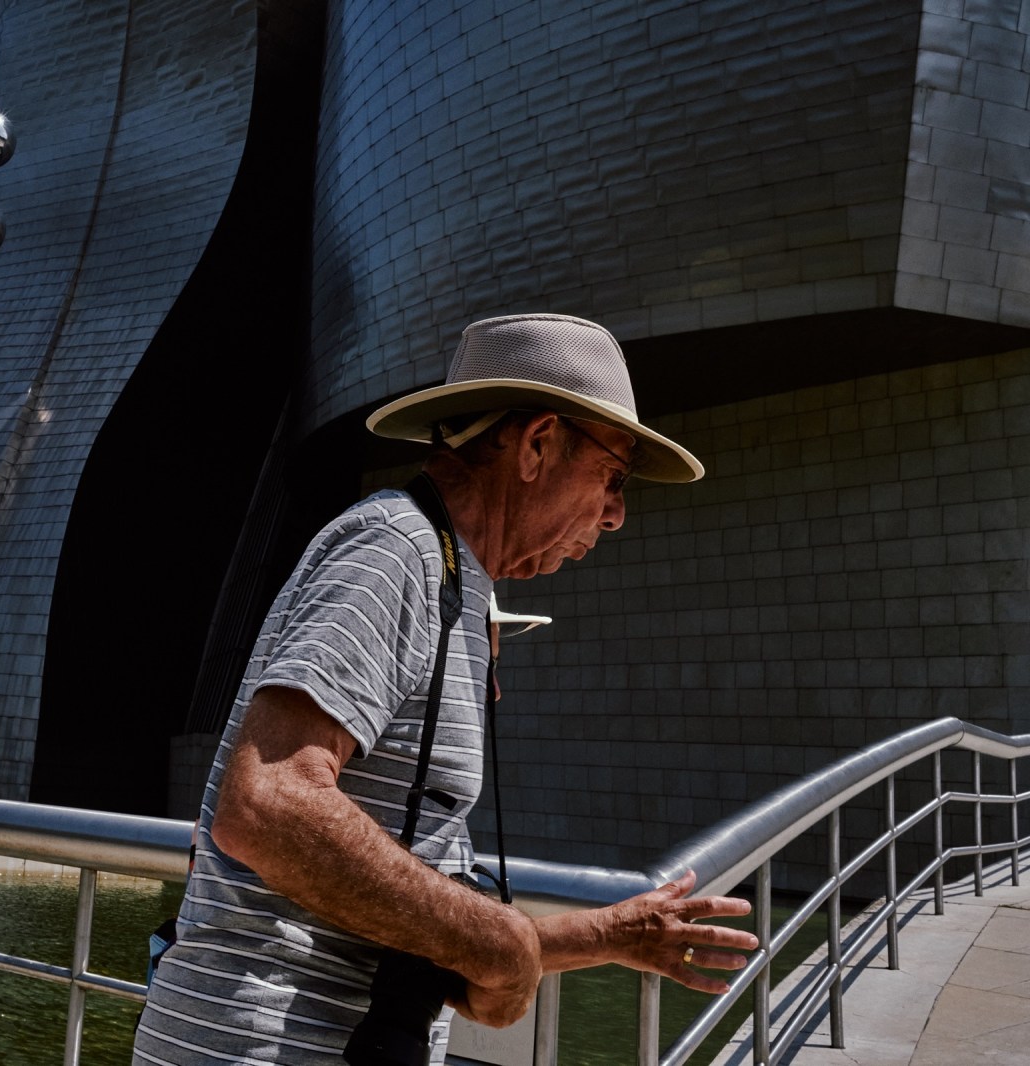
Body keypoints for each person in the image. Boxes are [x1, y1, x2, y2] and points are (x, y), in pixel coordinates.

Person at [133, 314, 759, 1065]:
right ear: (537, 446)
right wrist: (495, 939)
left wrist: (601, 936)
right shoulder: (392, 549)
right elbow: (267, 804)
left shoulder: (447, 577)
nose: (618, 513)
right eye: (614, 476)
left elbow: (400, 903)